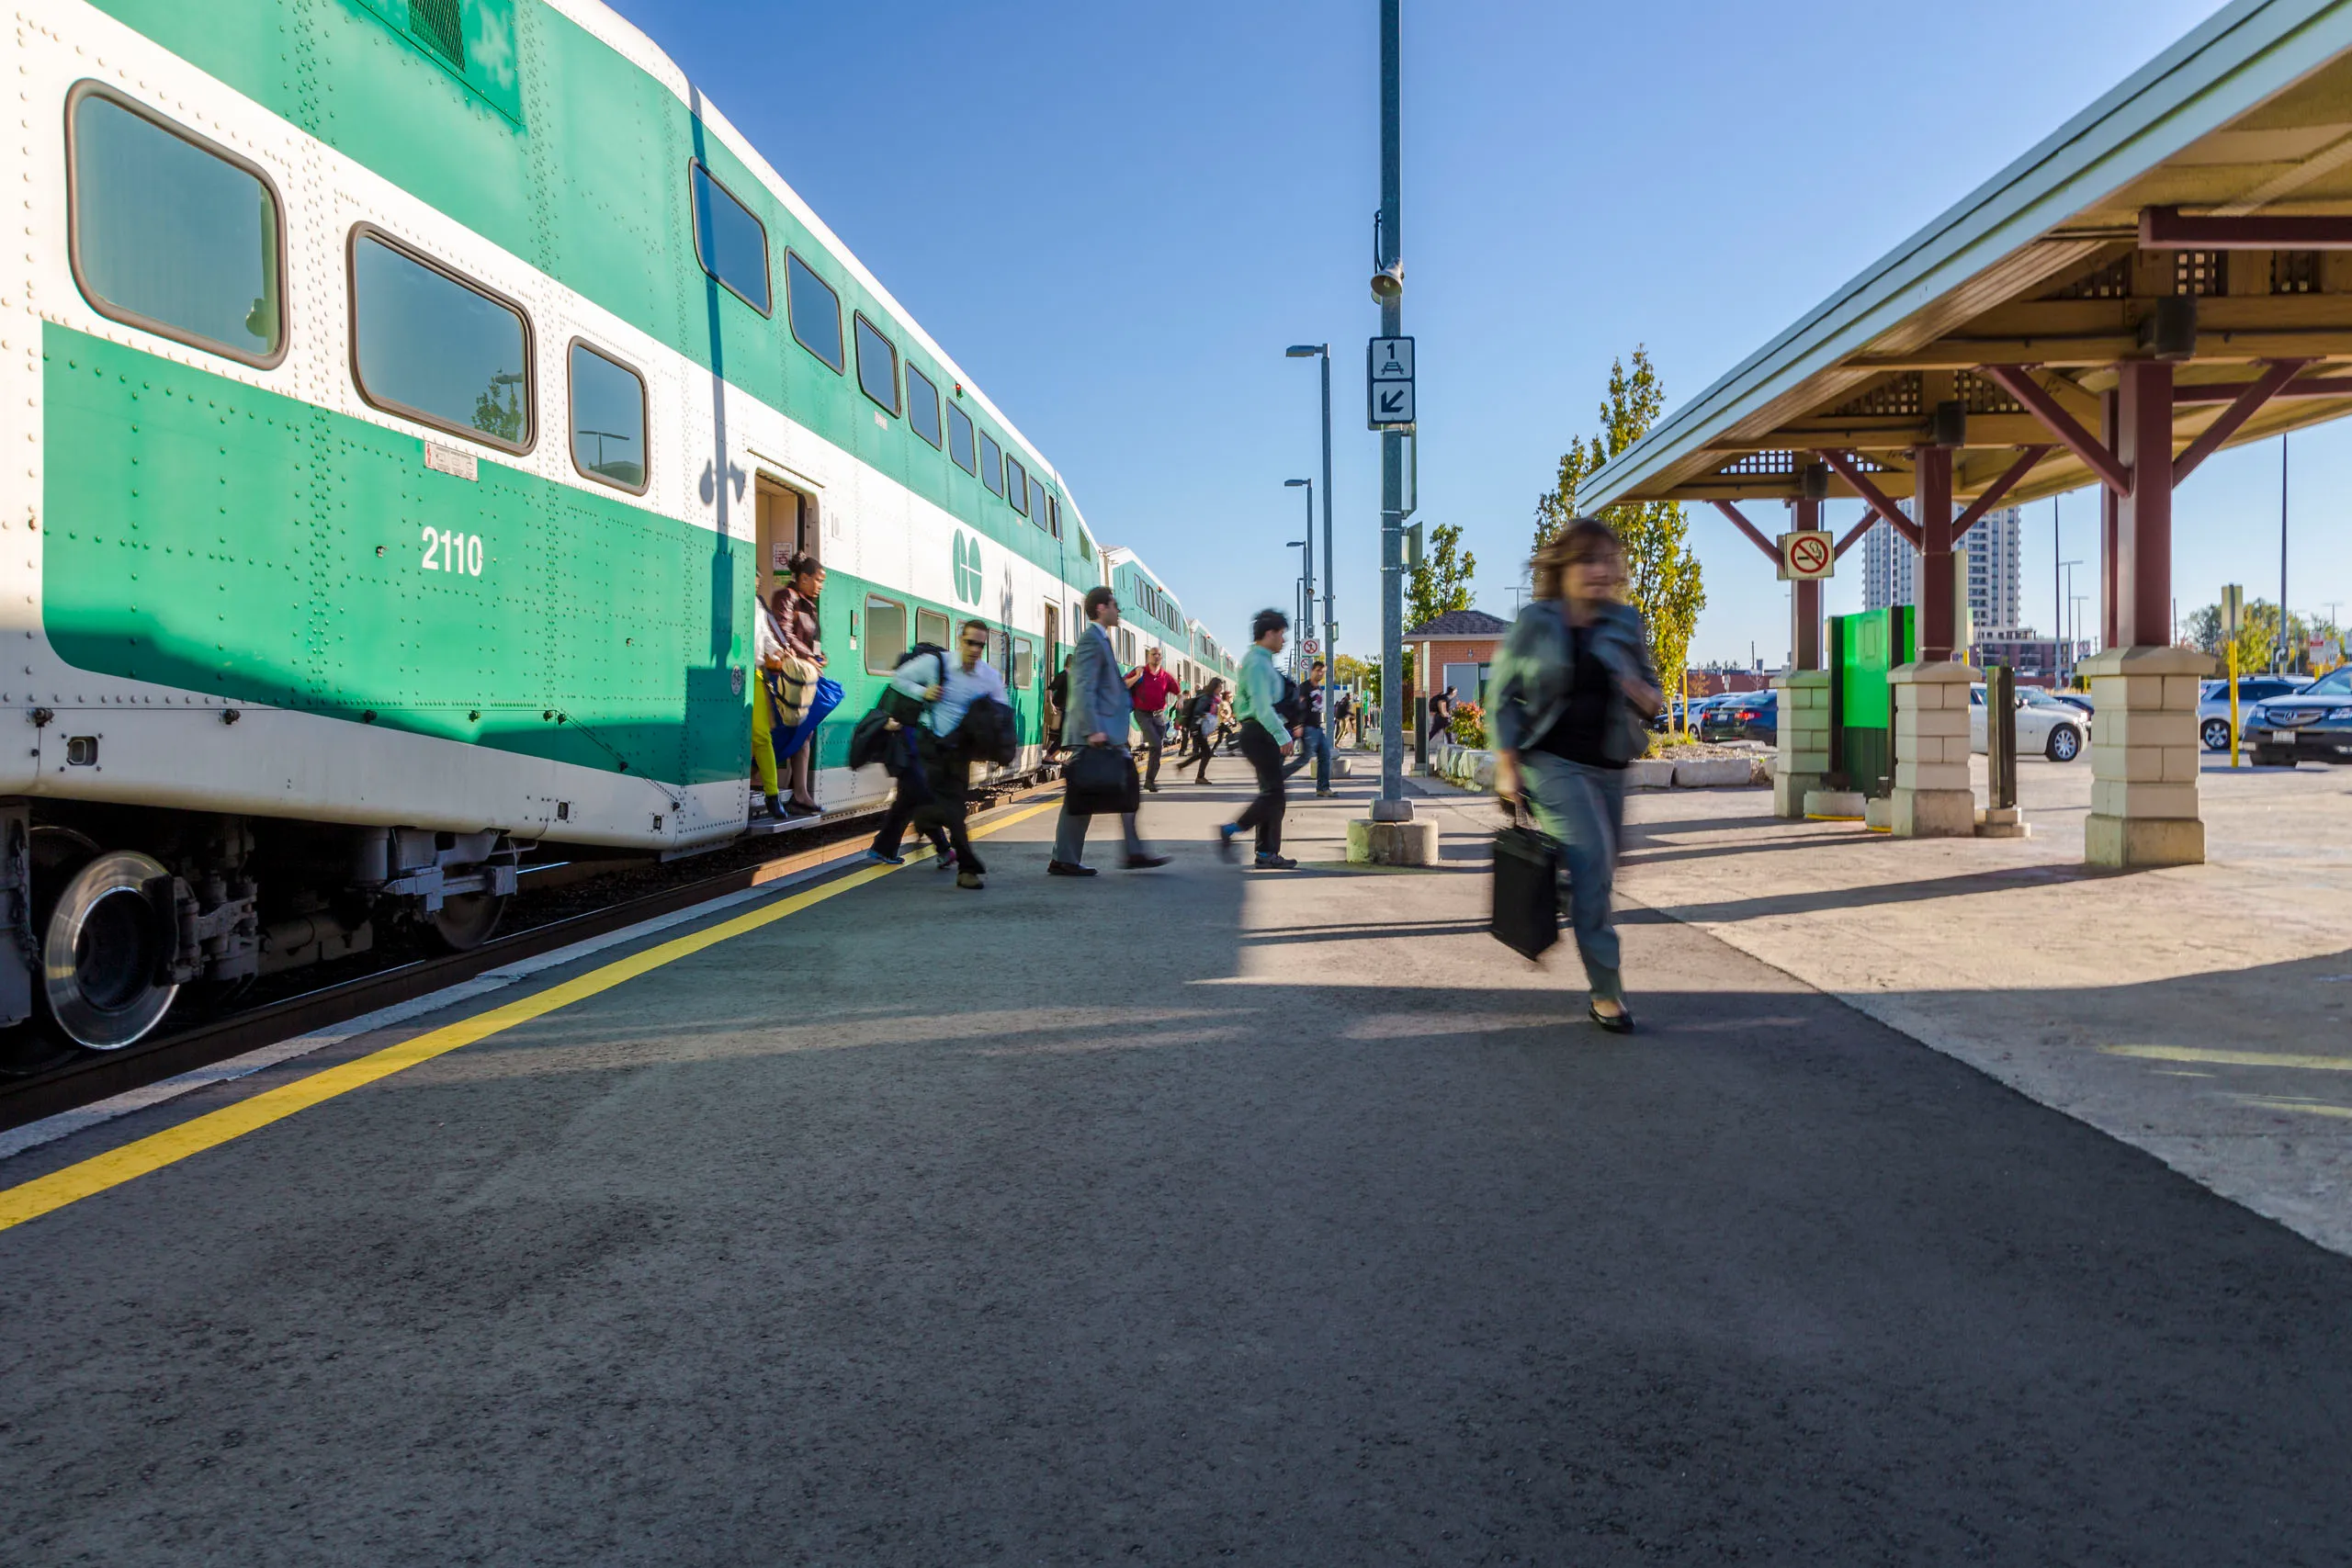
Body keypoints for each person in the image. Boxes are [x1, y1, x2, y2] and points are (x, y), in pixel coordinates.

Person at [1491, 516, 1663, 1034]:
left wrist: (1640, 691)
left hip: (1611, 765)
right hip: (1552, 762)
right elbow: (1502, 697)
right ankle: (1607, 994)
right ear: (1563, 567)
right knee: (1592, 860)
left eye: (1609, 561)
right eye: (1589, 560)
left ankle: (1565, 890)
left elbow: (1655, 696)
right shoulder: (1536, 623)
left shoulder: (1625, 622)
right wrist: (1506, 765)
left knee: (1603, 872)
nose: (1601, 571)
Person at [1051, 587, 1170, 875]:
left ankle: (1130, 851)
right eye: (1115, 605)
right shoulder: (1092, 640)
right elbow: (1083, 686)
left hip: (1105, 731)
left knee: (1114, 788)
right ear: (1102, 608)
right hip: (1096, 733)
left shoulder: (1100, 639)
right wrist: (1093, 730)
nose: (1119, 611)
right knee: (1087, 794)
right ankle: (1068, 858)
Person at [887, 617, 1005, 890]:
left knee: (953, 811)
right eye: (970, 642)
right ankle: (965, 866)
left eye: (980, 645)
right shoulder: (937, 663)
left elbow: (1002, 710)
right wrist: (923, 692)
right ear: (960, 641)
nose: (975, 649)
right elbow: (899, 679)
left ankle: (956, 857)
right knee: (945, 809)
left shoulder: (988, 677)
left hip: (960, 751)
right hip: (930, 747)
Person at [1216, 609, 1296, 870]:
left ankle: (1266, 853)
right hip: (1261, 733)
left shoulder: (1255, 660)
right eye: (1281, 634)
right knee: (1274, 795)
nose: (1283, 641)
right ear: (1269, 633)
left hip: (1257, 732)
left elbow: (1242, 702)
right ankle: (1232, 828)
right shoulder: (1258, 663)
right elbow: (1262, 707)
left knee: (1272, 794)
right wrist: (1281, 734)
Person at [773, 557, 827, 817]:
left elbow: (808, 639)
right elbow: (783, 633)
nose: (820, 586)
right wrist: (809, 657)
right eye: (818, 580)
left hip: (803, 674)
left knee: (805, 730)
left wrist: (818, 655)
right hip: (787, 677)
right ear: (803, 578)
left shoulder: (808, 604)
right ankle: (762, 781)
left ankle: (800, 793)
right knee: (790, 728)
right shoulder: (787, 597)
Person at [750, 587, 789, 820]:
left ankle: (772, 795)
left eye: (757, 582)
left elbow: (765, 636)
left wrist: (778, 652)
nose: (756, 586)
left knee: (761, 735)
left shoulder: (757, 604)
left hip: (754, 673)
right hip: (730, 671)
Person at [1126, 645, 1180, 792]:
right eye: (1153, 654)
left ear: (1161, 658)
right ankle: (1149, 780)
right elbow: (1124, 685)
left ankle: (1150, 780)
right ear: (1148, 656)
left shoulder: (1165, 676)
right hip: (1142, 714)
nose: (1156, 656)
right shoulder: (1140, 671)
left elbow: (1177, 690)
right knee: (1156, 744)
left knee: (1157, 748)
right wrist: (1137, 677)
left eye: (1159, 655)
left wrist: (1180, 699)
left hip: (1159, 716)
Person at [1282, 659, 1337, 797]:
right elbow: (1298, 707)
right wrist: (1298, 725)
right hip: (1308, 728)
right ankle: (1279, 776)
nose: (1320, 674)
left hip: (1318, 728)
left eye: (1323, 672)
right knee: (1305, 758)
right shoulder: (1304, 687)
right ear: (1312, 671)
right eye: (1318, 671)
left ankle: (1323, 788)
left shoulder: (1318, 688)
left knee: (1325, 756)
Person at [1185, 677, 1226, 784]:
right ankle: (1199, 777)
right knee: (1207, 753)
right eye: (1220, 686)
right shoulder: (1206, 698)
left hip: (1201, 728)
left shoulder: (1212, 698)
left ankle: (1183, 766)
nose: (1221, 689)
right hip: (1197, 728)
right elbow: (1198, 711)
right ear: (1215, 687)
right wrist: (1206, 717)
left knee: (1205, 752)